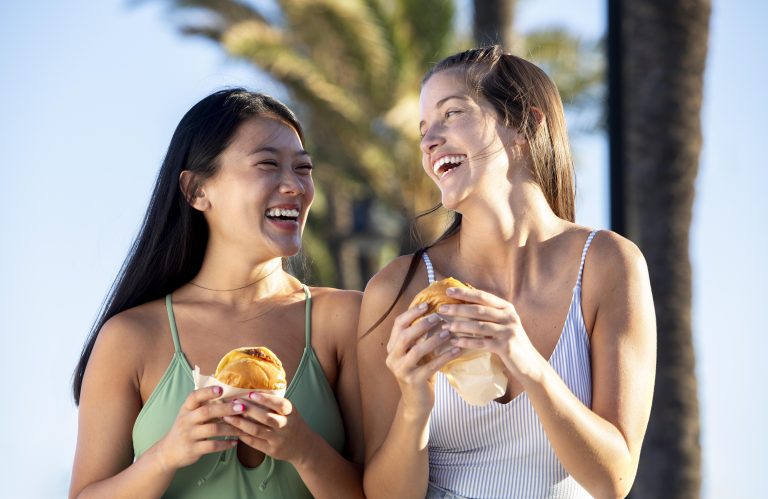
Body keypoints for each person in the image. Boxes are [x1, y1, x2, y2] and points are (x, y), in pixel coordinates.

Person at [357, 46, 656, 499]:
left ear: (523, 126)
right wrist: (414, 404)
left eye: (451, 114)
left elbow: (614, 479)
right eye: (423, 130)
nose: (429, 140)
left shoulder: (608, 264)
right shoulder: (397, 290)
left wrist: (526, 360)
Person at [69, 89, 364, 499]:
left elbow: (386, 489)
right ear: (196, 191)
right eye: (267, 164)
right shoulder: (130, 336)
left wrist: (305, 451)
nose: (295, 186)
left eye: (303, 168)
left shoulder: (345, 319)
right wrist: (167, 455)